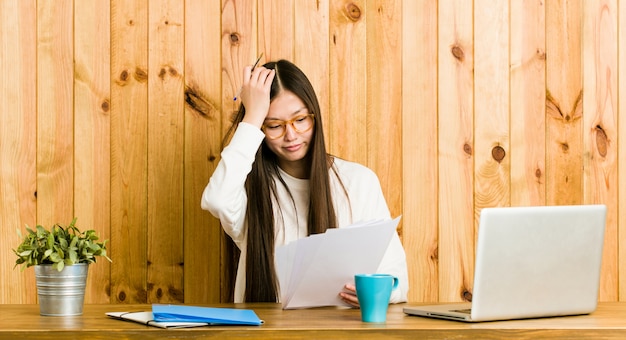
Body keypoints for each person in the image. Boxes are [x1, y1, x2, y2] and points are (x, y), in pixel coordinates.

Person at [201, 59, 408, 306]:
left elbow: (397, 278)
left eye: (300, 120)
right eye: (274, 125)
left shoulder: (358, 181)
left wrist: (376, 292)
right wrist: (253, 115)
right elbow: (216, 199)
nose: (291, 135)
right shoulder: (247, 188)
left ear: (314, 117)